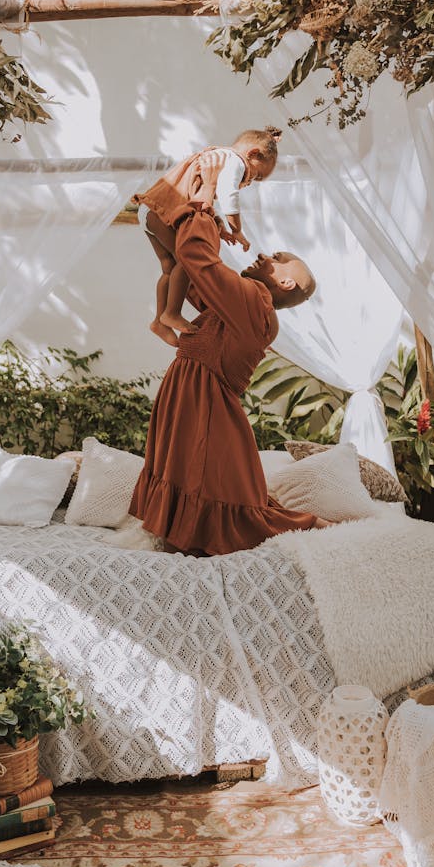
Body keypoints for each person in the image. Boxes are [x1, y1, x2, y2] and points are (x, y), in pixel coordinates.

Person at [129, 152, 329, 556]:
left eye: (276, 259)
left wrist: (200, 207)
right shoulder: (246, 303)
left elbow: (201, 262)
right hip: (191, 397)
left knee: (214, 495)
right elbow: (197, 282)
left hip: (204, 406)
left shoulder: (256, 302)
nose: (263, 256)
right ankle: (179, 545)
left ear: (286, 282)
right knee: (189, 482)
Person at [134, 127, 281, 346]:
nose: (249, 182)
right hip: (165, 212)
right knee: (188, 260)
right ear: (253, 154)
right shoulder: (235, 160)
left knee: (169, 267)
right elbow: (227, 194)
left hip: (151, 210)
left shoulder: (217, 156)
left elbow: (202, 198)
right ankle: (171, 313)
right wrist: (236, 229)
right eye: (256, 175)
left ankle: (159, 321)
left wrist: (218, 225)